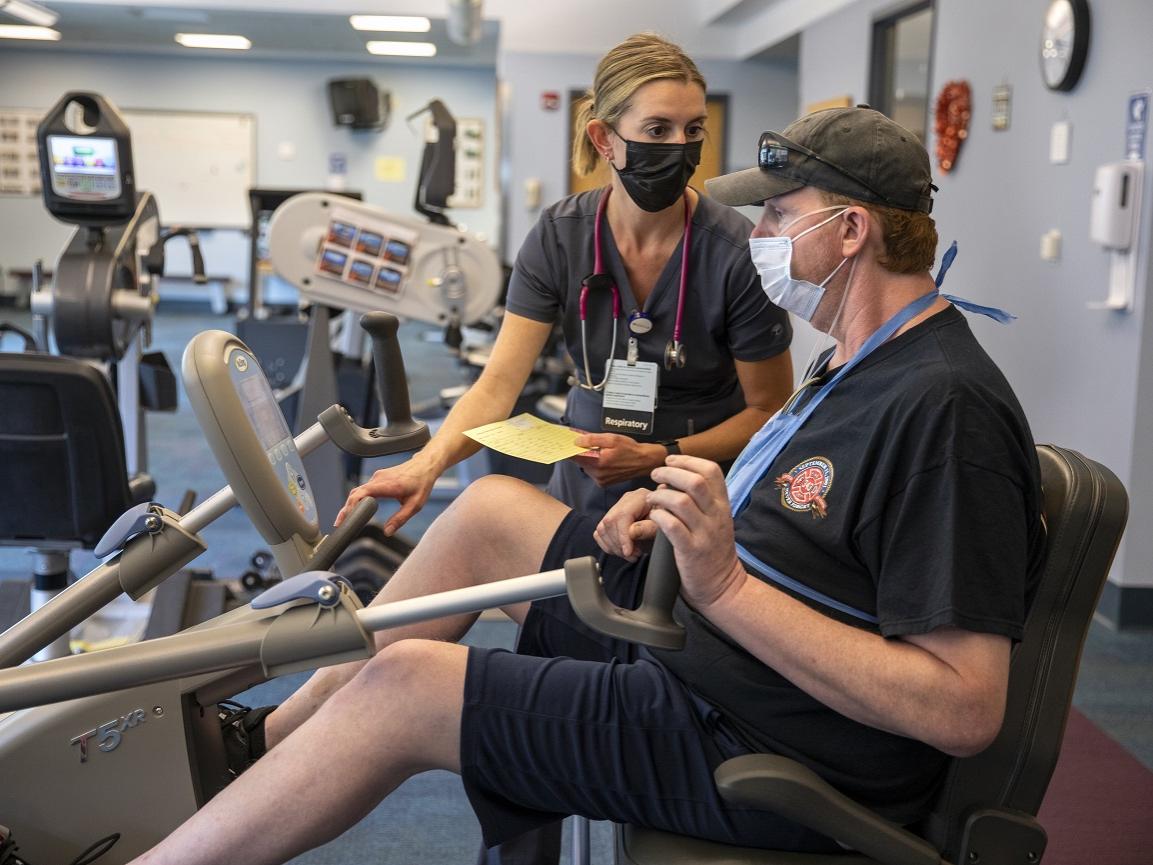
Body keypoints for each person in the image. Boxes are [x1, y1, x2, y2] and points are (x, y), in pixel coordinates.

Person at [131, 105, 1045, 865]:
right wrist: (676, 524)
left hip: (756, 729)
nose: (758, 236)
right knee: (489, 510)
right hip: (702, 633)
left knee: (404, 684)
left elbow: (963, 707)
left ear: (850, 230)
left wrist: (721, 582)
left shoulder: (944, 409)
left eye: (777, 217)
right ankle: (271, 745)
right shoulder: (852, 362)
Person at [346, 32, 793, 531]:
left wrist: (657, 455)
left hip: (697, 483)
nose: (680, 147)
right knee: (564, 597)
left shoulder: (735, 251)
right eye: (657, 129)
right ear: (605, 139)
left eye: (693, 129)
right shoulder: (560, 237)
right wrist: (425, 465)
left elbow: (768, 408)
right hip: (588, 470)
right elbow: (497, 385)